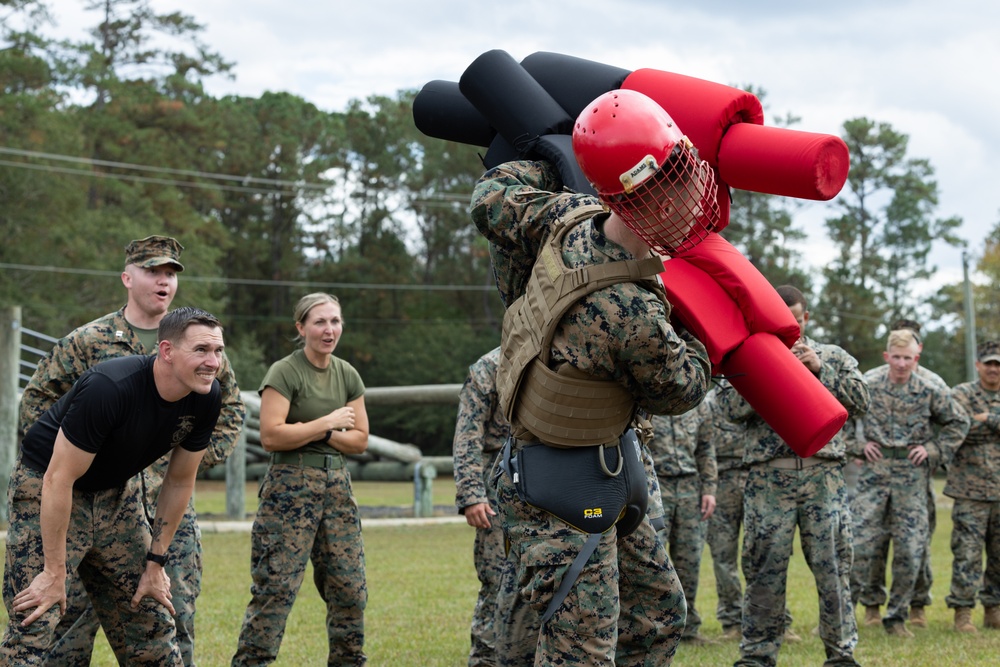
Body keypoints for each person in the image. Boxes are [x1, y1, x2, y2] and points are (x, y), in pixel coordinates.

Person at [470, 88, 714, 666]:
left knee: (656, 614)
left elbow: (490, 195)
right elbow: (681, 389)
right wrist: (707, 337)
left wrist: (555, 156)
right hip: (562, 488)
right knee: (581, 650)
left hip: (590, 464)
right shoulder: (634, 312)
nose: (690, 200)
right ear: (644, 200)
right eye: (676, 188)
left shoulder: (565, 217)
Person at [17, 235, 245, 667]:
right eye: (153, 271)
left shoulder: (199, 342)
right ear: (127, 277)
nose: (164, 281)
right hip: (81, 491)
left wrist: (170, 452)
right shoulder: (88, 341)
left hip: (161, 500)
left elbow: (228, 411)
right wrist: (91, 456)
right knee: (65, 618)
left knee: (165, 612)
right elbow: (37, 407)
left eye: (171, 274)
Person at [718, 285, 870, 667]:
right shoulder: (747, 353)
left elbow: (861, 400)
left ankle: (841, 653)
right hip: (769, 480)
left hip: (824, 479)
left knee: (833, 567)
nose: (790, 322)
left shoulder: (831, 355)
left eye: (796, 316)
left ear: (805, 317)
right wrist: (772, 369)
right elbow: (728, 408)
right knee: (763, 568)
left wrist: (819, 370)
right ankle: (757, 654)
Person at [231, 292, 369, 666]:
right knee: (275, 589)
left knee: (350, 590)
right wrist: (326, 424)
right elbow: (273, 436)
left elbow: (359, 440)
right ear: (301, 327)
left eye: (335, 321)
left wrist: (313, 432)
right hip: (290, 487)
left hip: (337, 488)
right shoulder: (284, 372)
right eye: (320, 322)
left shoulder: (347, 374)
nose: (329, 330)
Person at [850, 328, 969, 637]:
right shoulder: (869, 385)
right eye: (897, 358)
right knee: (859, 544)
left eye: (908, 358)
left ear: (917, 358)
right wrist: (856, 446)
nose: (902, 364)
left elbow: (959, 422)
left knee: (910, 549)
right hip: (874, 474)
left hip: (911, 475)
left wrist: (933, 450)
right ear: (886, 356)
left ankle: (897, 617)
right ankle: (844, 614)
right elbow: (841, 413)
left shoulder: (929, 390)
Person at [453, 346, 511, 666]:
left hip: (547, 485)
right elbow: (467, 436)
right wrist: (472, 495)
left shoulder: (557, 356)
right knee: (496, 576)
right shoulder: (489, 367)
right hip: (497, 486)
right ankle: (485, 658)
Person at [646, 402, 716, 644]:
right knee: (654, 562)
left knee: (690, 559)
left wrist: (709, 489)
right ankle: (656, 628)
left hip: (690, 488)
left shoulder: (699, 405)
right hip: (656, 488)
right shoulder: (648, 400)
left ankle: (689, 629)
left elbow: (706, 450)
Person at [945, 340, 1000, 633]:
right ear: (978, 365)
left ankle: (994, 609)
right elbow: (959, 427)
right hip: (969, 491)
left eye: (998, 364)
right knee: (967, 553)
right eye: (989, 363)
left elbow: (975, 426)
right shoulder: (961, 393)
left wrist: (987, 418)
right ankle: (963, 612)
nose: (993, 368)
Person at [702, 379, 749, 640]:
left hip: (757, 477)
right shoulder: (710, 402)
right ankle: (732, 622)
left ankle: (774, 620)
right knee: (723, 556)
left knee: (767, 555)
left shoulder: (761, 397)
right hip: (722, 482)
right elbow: (706, 447)